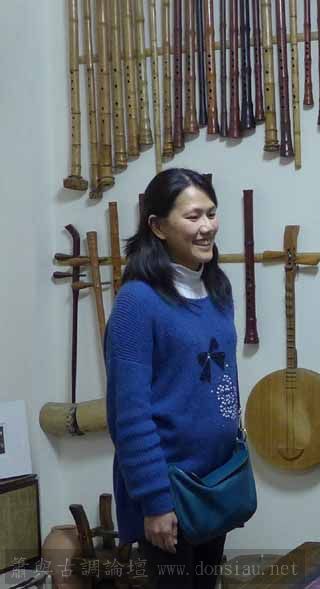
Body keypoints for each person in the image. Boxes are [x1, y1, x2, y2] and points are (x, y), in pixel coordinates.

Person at [105, 168, 239, 588]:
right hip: (169, 494)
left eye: (211, 213)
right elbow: (129, 416)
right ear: (158, 227)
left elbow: (217, 381)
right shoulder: (137, 302)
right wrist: (156, 503)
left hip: (214, 485)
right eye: (193, 216)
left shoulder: (217, 289)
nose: (207, 227)